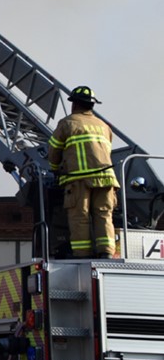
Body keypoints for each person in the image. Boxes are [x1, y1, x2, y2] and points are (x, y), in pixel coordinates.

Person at [47, 85, 119, 258]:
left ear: (74, 105)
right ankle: (106, 253)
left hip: (79, 179)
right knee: (103, 214)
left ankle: (82, 254)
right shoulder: (104, 126)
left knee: (80, 216)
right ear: (92, 106)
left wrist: (55, 169)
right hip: (106, 178)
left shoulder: (67, 124)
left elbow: (54, 150)